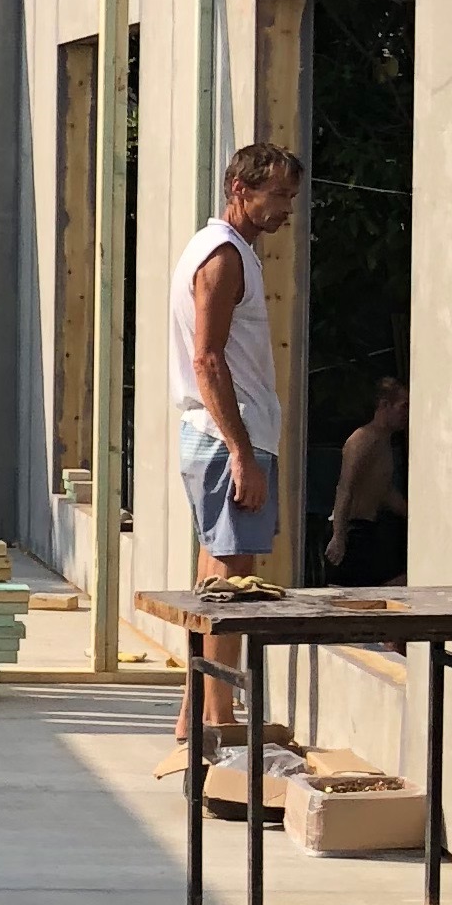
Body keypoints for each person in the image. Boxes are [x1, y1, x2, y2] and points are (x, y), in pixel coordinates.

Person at [167, 142, 303, 742]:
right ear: (240, 189)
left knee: (214, 583)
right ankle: (218, 720)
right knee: (231, 588)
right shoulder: (222, 256)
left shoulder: (226, 250)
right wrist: (243, 454)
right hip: (227, 439)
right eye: (278, 195)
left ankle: (195, 715)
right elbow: (208, 358)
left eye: (291, 197)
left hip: (223, 437)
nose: (286, 208)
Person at [325, 371, 409, 586]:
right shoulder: (362, 439)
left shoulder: (385, 442)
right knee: (348, 595)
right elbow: (345, 487)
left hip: (370, 528)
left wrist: (415, 517)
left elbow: (384, 490)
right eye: (403, 406)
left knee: (402, 580)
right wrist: (338, 537)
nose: (407, 414)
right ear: (384, 405)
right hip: (351, 529)